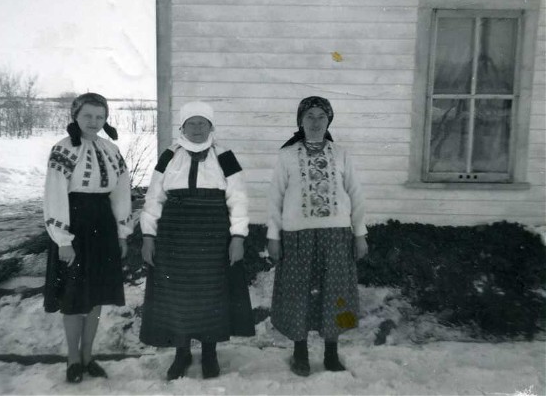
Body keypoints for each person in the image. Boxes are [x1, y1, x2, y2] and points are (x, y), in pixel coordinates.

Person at [140, 101, 254, 380]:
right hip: (174, 236)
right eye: (192, 123)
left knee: (211, 294)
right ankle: (181, 353)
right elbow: (154, 196)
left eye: (203, 123)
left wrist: (238, 236)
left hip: (213, 234)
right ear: (183, 126)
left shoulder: (224, 155)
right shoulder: (169, 155)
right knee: (178, 296)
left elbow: (238, 197)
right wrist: (148, 236)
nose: (197, 129)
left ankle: (210, 354)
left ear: (211, 126)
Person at [266, 96, 368, 377]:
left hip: (336, 236)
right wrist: (273, 235)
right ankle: (300, 352)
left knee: (334, 293)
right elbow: (275, 197)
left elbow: (356, 196)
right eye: (309, 117)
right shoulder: (286, 155)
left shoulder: (341, 154)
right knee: (298, 294)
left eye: (321, 117)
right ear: (300, 121)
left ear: (328, 121)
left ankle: (331, 353)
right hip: (297, 236)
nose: (315, 122)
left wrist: (359, 234)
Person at [42, 92, 132, 383]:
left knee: (96, 297)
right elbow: (54, 194)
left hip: (103, 226)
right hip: (74, 225)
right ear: (75, 116)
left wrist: (122, 232)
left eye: (99, 117)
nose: (93, 122)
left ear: (105, 119)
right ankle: (72, 358)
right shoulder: (63, 149)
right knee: (73, 296)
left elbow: (121, 193)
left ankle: (88, 356)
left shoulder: (111, 150)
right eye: (87, 116)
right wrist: (63, 240)